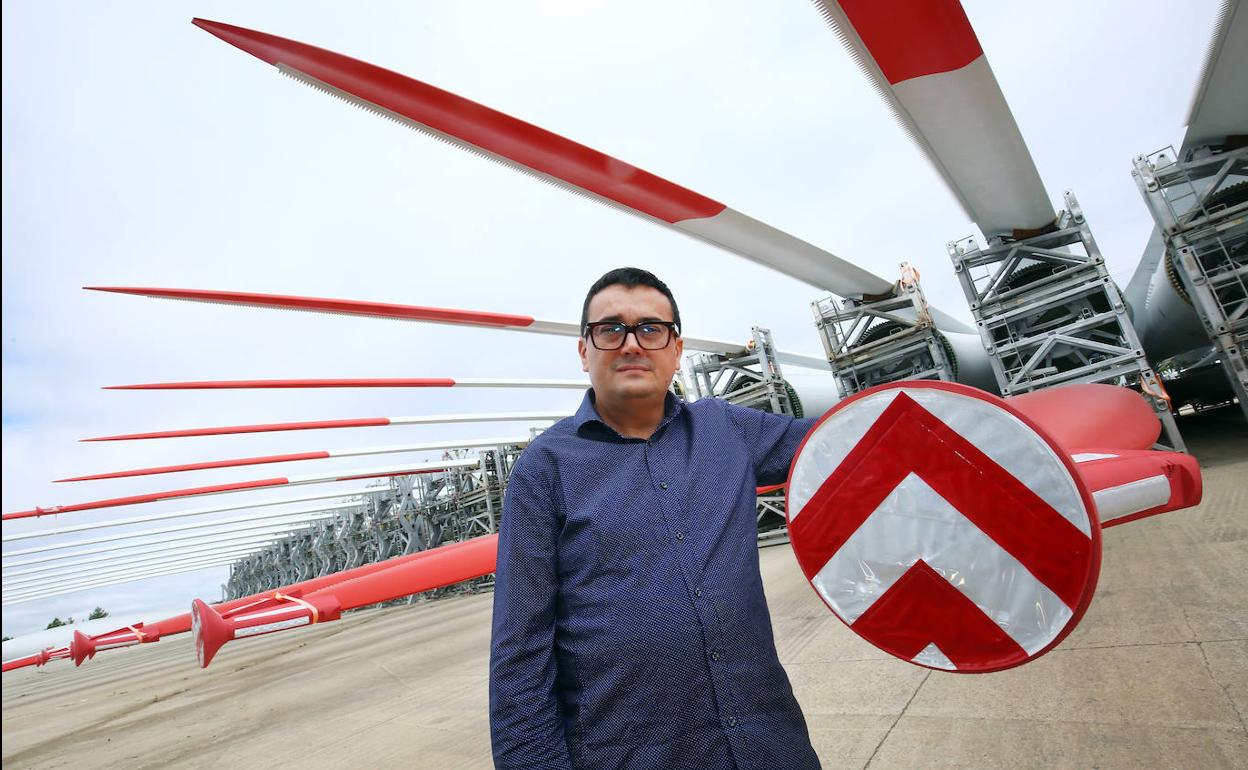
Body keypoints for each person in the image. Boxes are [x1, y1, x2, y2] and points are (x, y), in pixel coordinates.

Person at [489, 267, 822, 769]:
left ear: (677, 349)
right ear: (584, 351)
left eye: (650, 328)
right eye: (609, 329)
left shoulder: (727, 430)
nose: (631, 344)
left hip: (769, 746)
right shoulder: (545, 467)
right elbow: (520, 651)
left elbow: (847, 448)